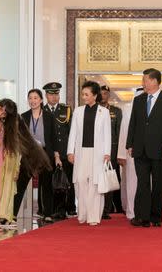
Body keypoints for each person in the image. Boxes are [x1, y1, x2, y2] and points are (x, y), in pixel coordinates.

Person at [126, 68, 162, 227]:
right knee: (142, 183)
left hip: (160, 150)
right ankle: (143, 217)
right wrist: (129, 144)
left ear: (154, 81)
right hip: (140, 149)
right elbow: (133, 123)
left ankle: (156, 217)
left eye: (145, 80)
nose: (143, 83)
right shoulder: (139, 100)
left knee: (158, 184)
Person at [67, 81, 111, 226]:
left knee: (95, 184)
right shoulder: (78, 111)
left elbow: (107, 134)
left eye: (86, 94)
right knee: (80, 181)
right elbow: (73, 132)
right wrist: (70, 151)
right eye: (83, 94)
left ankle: (93, 216)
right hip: (81, 152)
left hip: (97, 153)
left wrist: (107, 152)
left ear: (95, 95)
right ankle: (83, 214)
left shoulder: (103, 112)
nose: (84, 97)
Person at [20, 89, 61, 223]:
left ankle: (47, 213)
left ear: (41, 100)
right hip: (29, 153)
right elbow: (20, 137)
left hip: (45, 153)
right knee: (21, 183)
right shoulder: (24, 116)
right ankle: (14, 213)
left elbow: (54, 138)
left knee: (46, 183)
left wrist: (57, 156)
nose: (33, 101)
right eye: (30, 98)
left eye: (35, 98)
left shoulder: (49, 116)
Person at [42, 82, 76, 219]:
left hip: (64, 151)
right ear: (46, 95)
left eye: (56, 94)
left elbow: (71, 132)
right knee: (49, 182)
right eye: (51, 94)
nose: (54, 97)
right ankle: (49, 210)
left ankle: (67, 208)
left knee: (65, 182)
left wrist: (71, 151)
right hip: (48, 153)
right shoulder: (42, 110)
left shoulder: (66, 110)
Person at [118, 87, 144, 220]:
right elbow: (123, 134)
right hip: (131, 153)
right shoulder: (128, 111)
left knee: (146, 183)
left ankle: (145, 211)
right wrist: (121, 155)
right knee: (132, 183)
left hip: (147, 154)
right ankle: (131, 211)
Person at [100, 85, 123, 219]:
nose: (103, 96)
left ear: (109, 95)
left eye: (106, 93)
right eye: (101, 93)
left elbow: (119, 132)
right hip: (97, 148)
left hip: (112, 149)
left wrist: (120, 152)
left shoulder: (116, 111)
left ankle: (107, 209)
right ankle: (97, 207)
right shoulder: (94, 110)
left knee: (109, 177)